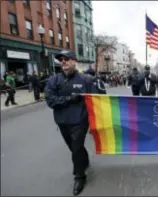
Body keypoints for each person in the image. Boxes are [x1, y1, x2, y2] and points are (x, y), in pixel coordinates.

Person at [44, 50, 96, 195]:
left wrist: (93, 123)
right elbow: (50, 101)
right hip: (62, 122)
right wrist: (69, 99)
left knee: (76, 147)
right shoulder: (53, 81)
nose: (63, 62)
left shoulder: (86, 80)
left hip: (79, 121)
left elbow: (96, 101)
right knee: (74, 148)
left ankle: (79, 176)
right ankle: (83, 161)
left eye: (67, 59)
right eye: (61, 60)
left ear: (74, 61)